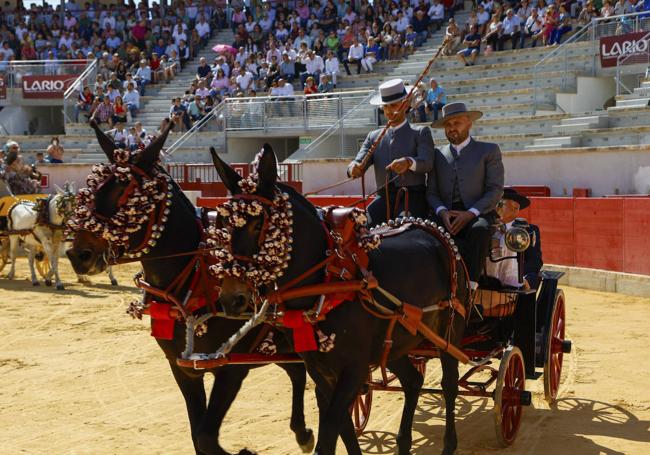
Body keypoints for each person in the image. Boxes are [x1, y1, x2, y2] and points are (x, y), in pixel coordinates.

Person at [426, 102, 504, 291]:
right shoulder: (437, 155)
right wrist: (442, 212)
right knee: (423, 232)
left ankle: (470, 287)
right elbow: (432, 192)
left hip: (478, 213)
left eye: (457, 123)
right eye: (448, 125)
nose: (452, 128)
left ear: (469, 123)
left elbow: (495, 190)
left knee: (479, 231)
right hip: (445, 215)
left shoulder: (489, 150)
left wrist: (470, 213)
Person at [348, 79, 434, 226]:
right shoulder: (373, 136)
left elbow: (427, 163)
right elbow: (358, 162)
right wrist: (354, 168)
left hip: (412, 197)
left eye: (393, 105)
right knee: (361, 229)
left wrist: (408, 162)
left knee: (403, 229)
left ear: (406, 104)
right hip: (383, 199)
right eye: (385, 106)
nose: (388, 111)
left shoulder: (420, 132)